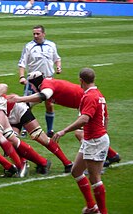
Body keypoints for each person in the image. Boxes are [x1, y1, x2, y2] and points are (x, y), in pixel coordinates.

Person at [53, 68, 109, 214]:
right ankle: (91, 206)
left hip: (95, 140)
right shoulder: (99, 95)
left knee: (95, 178)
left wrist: (64, 130)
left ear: (81, 81)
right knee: (76, 170)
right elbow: (106, 118)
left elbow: (84, 119)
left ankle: (102, 212)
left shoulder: (89, 96)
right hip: (93, 139)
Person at [18, 25, 62, 137]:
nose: (35, 36)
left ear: (43, 34)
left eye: (38, 33)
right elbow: (22, 63)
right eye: (34, 34)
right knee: (26, 106)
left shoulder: (51, 45)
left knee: (49, 104)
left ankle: (50, 130)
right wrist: (22, 77)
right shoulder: (29, 46)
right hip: (32, 81)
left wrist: (58, 67)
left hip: (48, 79)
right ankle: (24, 129)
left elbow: (57, 58)